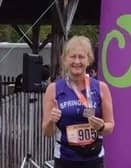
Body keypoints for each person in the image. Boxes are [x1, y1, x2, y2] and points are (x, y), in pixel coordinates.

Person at [42, 35, 115, 168]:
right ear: (64, 60)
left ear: (88, 60)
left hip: (94, 158)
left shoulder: (101, 88)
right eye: (72, 56)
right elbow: (47, 133)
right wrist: (52, 120)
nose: (77, 61)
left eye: (81, 57)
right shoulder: (53, 89)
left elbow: (110, 126)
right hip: (65, 158)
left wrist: (102, 127)